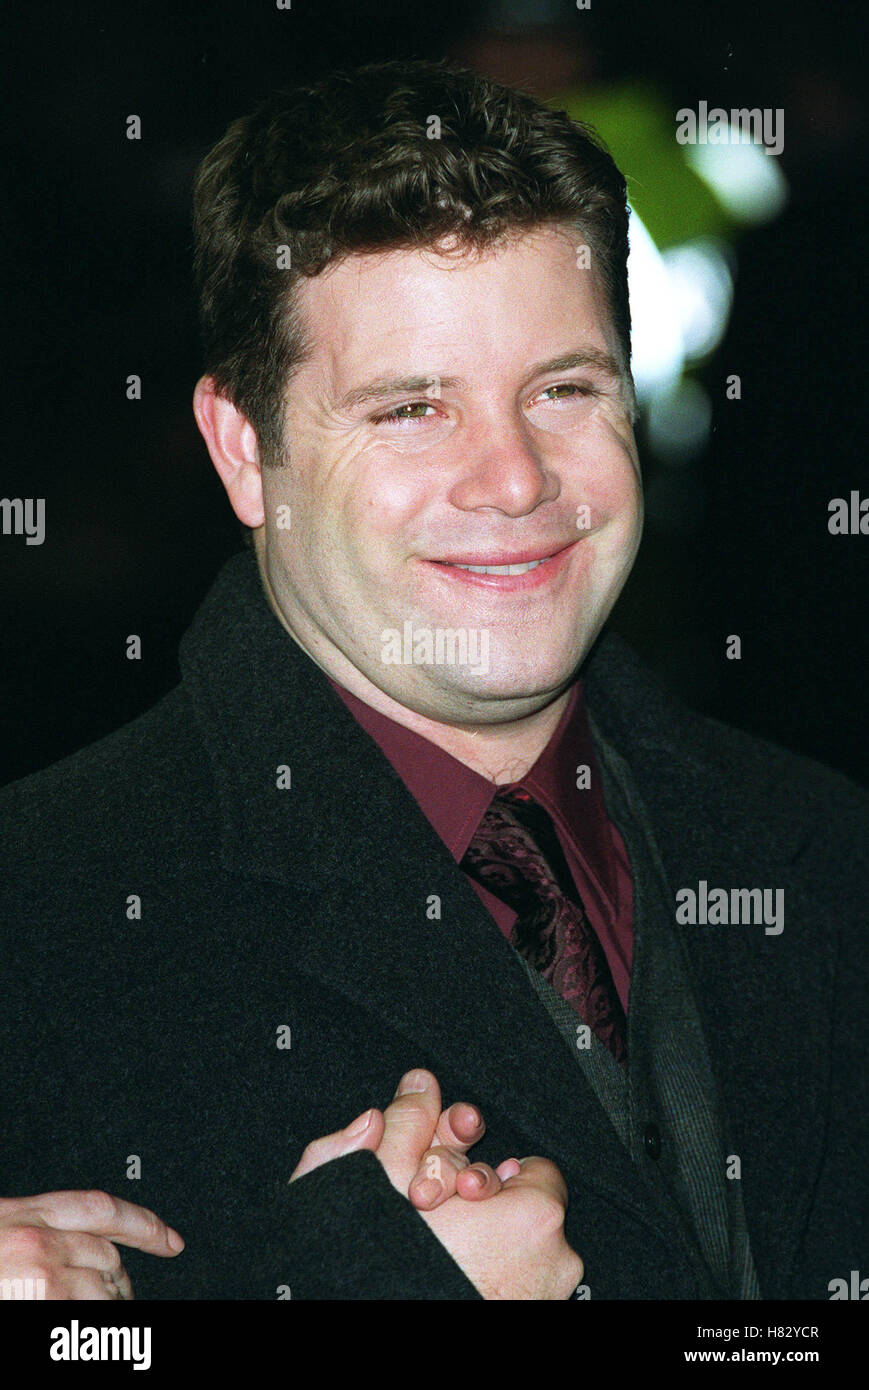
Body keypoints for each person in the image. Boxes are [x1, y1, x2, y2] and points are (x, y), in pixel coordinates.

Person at [0, 59, 865, 1303]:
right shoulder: (43, 926)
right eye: (411, 408)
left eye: (563, 389)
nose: (513, 479)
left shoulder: (823, 852)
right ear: (247, 454)